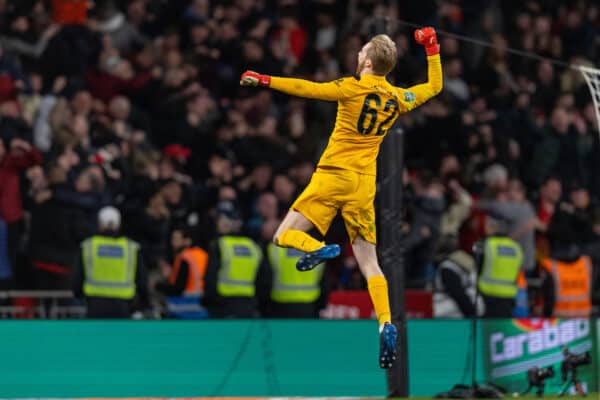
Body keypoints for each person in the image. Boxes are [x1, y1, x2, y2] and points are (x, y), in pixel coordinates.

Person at [240, 27, 443, 368]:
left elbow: (308, 88)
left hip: (333, 175)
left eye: (361, 51)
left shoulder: (350, 88)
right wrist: (432, 48)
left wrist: (264, 80)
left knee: (282, 236)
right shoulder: (397, 98)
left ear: (365, 59)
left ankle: (316, 248)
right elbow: (435, 86)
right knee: (370, 262)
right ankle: (385, 322)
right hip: (364, 185)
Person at [74, 206, 148, 318]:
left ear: (100, 224)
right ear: (118, 225)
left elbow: (77, 278)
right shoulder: (130, 247)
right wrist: (142, 303)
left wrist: (78, 294)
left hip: (95, 305)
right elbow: (142, 280)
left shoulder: (88, 246)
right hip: (123, 306)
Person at [202, 201, 266, 318]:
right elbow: (262, 278)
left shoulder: (220, 244)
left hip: (223, 305)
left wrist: (211, 301)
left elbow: (210, 277)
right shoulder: (252, 245)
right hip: (248, 304)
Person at [540, 210, 592, 318]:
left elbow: (549, 296)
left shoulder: (550, 265)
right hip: (584, 321)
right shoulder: (586, 262)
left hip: (558, 322)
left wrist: (546, 315)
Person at [473, 214, 523, 318]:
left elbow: (477, 267)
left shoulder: (486, 244)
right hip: (509, 296)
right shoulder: (515, 247)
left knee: (487, 331)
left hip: (488, 295)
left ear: (491, 228)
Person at [155, 227, 209, 318]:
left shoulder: (185, 257)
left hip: (185, 304)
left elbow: (178, 288)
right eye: (172, 238)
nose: (173, 242)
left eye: (176, 239)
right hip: (204, 305)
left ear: (187, 241)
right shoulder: (203, 254)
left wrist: (158, 285)